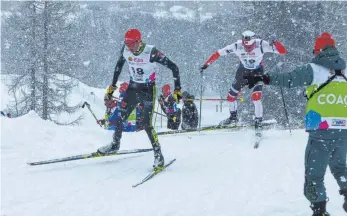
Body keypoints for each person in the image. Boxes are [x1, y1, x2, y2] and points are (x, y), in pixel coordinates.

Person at [243, 32, 347, 216]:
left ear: (319, 50)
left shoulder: (314, 69)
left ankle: (320, 211)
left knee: (314, 175)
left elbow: (289, 79)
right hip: (343, 130)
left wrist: (263, 77)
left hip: (320, 131)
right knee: (340, 168)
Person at [97, 28, 182, 170]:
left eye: (131, 44)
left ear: (139, 41)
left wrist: (178, 90)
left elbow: (174, 67)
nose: (129, 47)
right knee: (120, 116)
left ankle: (158, 155)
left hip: (148, 90)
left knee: (147, 124)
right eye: (127, 44)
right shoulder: (125, 49)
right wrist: (112, 87)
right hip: (133, 88)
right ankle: (115, 144)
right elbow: (118, 66)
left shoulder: (151, 52)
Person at [200, 30, 287, 131]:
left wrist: (275, 42)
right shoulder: (237, 46)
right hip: (242, 72)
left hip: (257, 72)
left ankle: (258, 121)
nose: (248, 49)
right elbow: (218, 53)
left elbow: (283, 51)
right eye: (246, 46)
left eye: (250, 46)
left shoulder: (262, 44)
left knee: (256, 98)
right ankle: (233, 117)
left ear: (254, 41)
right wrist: (206, 64)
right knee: (230, 97)